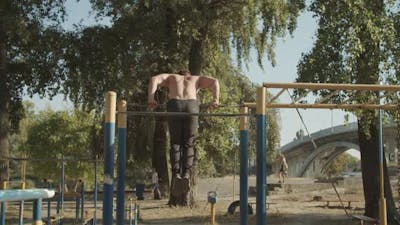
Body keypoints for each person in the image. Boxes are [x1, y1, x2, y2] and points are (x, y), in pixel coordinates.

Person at [147, 70, 219, 194]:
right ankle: (186, 174)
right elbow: (215, 82)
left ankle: (176, 174)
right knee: (188, 143)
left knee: (175, 143)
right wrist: (215, 99)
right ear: (188, 75)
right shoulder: (196, 79)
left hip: (175, 105)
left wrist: (151, 99)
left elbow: (154, 79)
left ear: (179, 75)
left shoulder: (172, 77)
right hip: (191, 106)